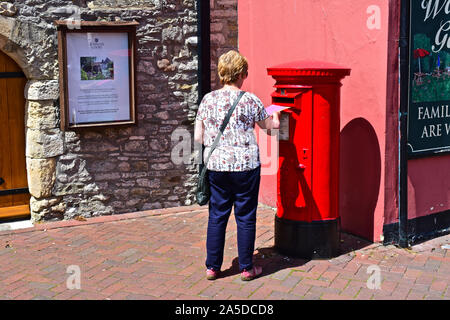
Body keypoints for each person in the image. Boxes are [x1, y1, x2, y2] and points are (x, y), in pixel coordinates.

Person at [194, 50, 280, 281]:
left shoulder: (207, 100)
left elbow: (199, 138)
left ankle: (212, 267)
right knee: (245, 216)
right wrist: (278, 116)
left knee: (217, 216)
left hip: (217, 167)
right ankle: (246, 268)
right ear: (242, 73)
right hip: (245, 167)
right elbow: (271, 129)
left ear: (222, 73)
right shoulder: (251, 100)